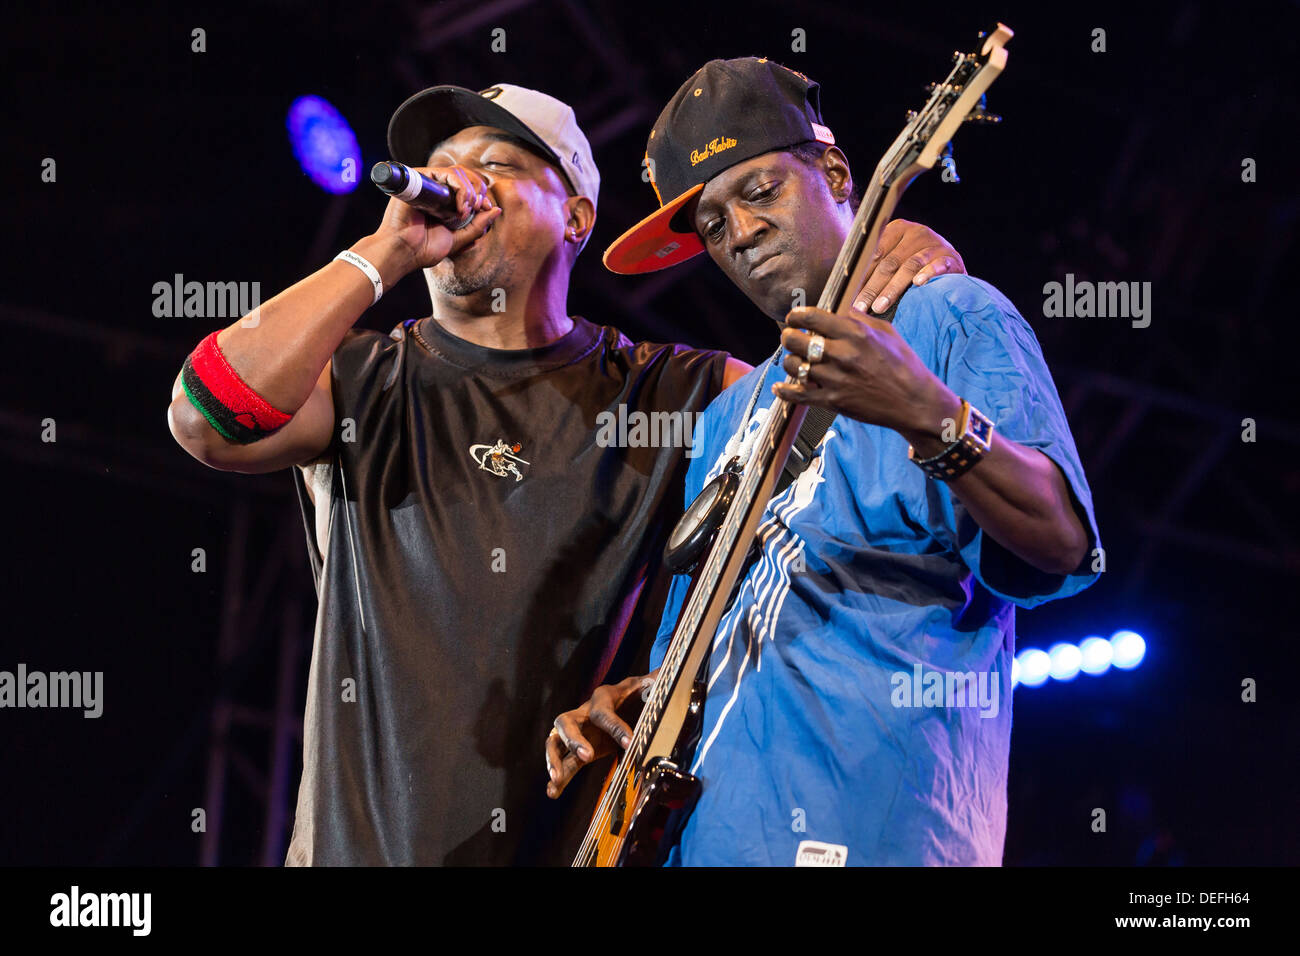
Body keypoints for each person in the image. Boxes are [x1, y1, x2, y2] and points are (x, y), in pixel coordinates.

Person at [167, 80, 966, 865]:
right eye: (446, 166)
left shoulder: (679, 390)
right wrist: (385, 251)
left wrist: (906, 259)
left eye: (499, 165)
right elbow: (207, 417)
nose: (461, 186)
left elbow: (846, 419)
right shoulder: (362, 380)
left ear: (577, 216)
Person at [546, 58, 1102, 867]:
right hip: (705, 841)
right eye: (710, 223)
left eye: (760, 191)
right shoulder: (728, 417)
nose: (738, 233)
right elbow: (707, 639)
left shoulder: (953, 314)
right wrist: (638, 699)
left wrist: (925, 411)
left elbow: (1061, 541)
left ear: (836, 174)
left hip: (878, 825)